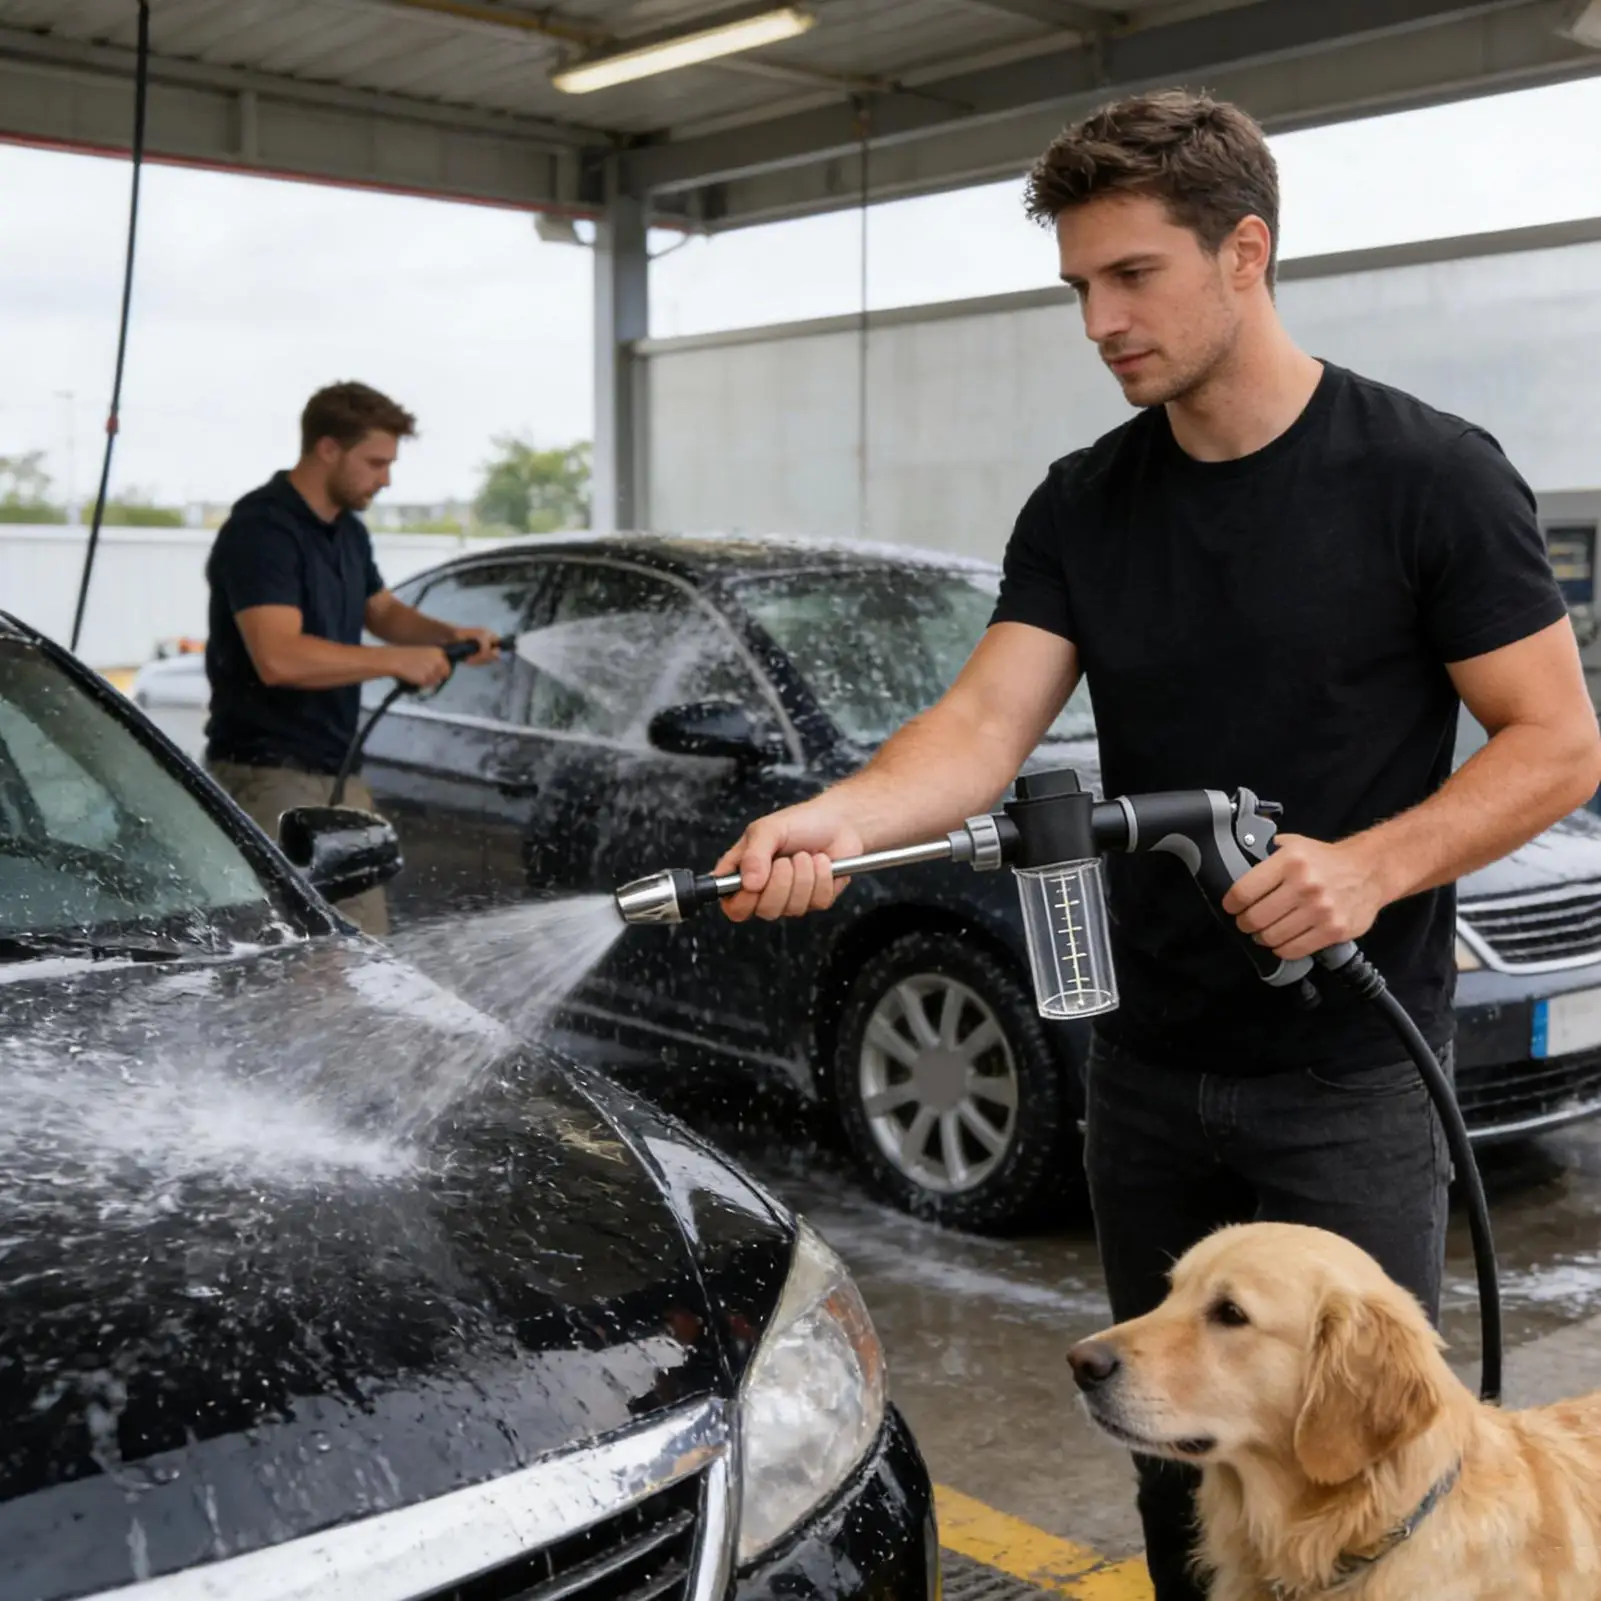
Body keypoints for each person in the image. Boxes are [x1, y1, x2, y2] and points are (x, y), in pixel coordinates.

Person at [709, 91, 1601, 1599]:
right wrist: (833, 820)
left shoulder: (1428, 476)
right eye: (1078, 285)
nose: (1097, 322)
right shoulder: (1086, 503)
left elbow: (1556, 742)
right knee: (1168, 1447)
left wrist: (1368, 867)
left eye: (1132, 276)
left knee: (1362, 1472)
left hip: (1345, 1075)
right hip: (1148, 1069)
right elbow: (980, 727)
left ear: (1244, 251)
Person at [204, 381, 499, 936]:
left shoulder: (347, 532)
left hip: (336, 770)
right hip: (269, 776)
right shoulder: (262, 531)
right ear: (328, 449)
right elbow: (278, 658)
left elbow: (381, 611)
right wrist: (395, 662)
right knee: (298, 953)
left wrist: (448, 635)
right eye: (376, 463)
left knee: (360, 950)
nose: (386, 479)